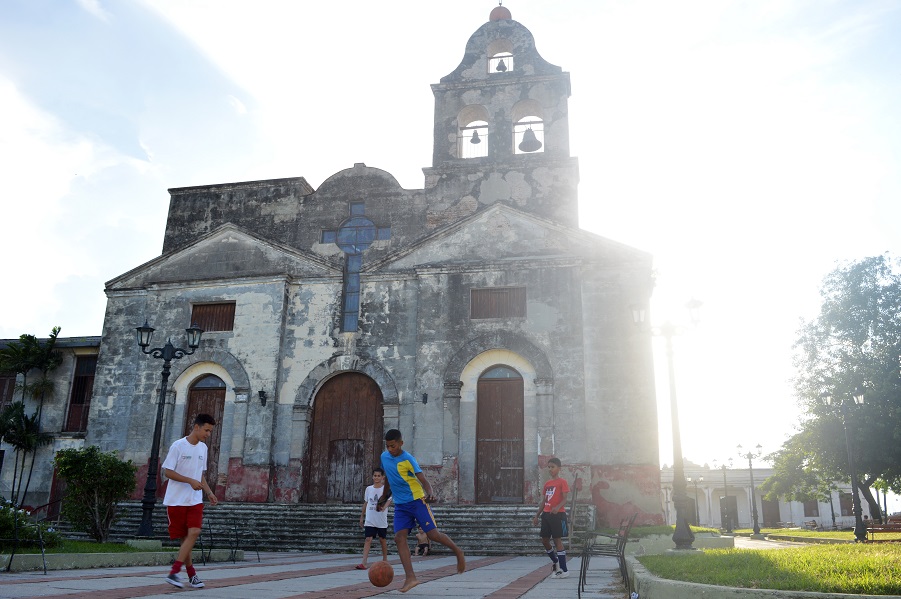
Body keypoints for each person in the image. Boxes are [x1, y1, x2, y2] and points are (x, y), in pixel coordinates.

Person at [377, 429, 465, 592]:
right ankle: (410, 577)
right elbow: (388, 477)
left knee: (433, 535)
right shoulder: (384, 457)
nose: (390, 449)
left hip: (417, 501)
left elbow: (423, 480)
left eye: (393, 446)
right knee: (399, 538)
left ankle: (458, 551)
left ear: (401, 443)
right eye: (388, 446)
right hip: (401, 506)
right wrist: (383, 497)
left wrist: (430, 494)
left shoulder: (408, 459)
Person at [161, 413, 218, 588]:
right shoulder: (178, 446)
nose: (208, 434)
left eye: (210, 431)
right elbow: (167, 472)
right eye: (206, 430)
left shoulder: (203, 449)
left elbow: (199, 473)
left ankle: (174, 572)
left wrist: (209, 492)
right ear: (196, 427)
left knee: (194, 532)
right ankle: (191, 574)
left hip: (195, 500)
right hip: (176, 500)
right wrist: (189, 481)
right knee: (185, 538)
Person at [531, 457, 570, 579]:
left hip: (557, 515)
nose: (550, 469)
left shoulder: (562, 482)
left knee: (557, 540)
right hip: (546, 515)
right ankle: (556, 561)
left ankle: (564, 570)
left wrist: (557, 507)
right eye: (549, 467)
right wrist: (537, 515)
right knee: (544, 540)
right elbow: (544, 501)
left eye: (552, 467)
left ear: (559, 468)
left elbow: (565, 499)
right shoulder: (547, 484)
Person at [356, 467, 392, 569]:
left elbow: (389, 501)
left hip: (381, 519)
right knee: (368, 539)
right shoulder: (369, 489)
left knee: (382, 539)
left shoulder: (386, 490)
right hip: (370, 519)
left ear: (382, 477)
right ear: (372, 477)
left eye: (378, 476)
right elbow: (366, 503)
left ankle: (385, 560)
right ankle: (364, 562)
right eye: (375, 476)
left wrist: (384, 507)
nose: (376, 478)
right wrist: (362, 516)